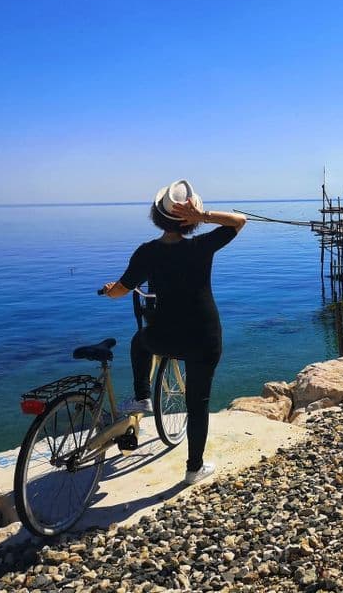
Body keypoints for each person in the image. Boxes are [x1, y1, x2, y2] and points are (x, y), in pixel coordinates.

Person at [101, 180, 246, 485]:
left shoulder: (147, 253)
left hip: (165, 337)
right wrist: (203, 216)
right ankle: (194, 469)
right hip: (204, 338)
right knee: (198, 405)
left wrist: (108, 290)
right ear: (190, 220)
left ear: (158, 216)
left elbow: (119, 291)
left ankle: (142, 397)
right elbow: (239, 221)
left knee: (140, 342)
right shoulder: (201, 246)